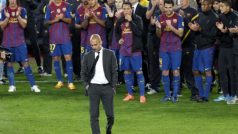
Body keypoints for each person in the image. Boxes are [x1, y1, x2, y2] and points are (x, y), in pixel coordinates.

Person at [0, 0, 40, 92]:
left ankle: (33, 85)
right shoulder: (4, 11)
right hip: (6, 43)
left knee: (25, 63)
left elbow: (24, 25)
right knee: (8, 63)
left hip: (20, 43)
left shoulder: (22, 10)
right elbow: (2, 26)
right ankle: (12, 85)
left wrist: (17, 16)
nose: (13, 1)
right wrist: (7, 18)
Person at [81, 34, 118, 134]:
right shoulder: (87, 56)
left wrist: (113, 86)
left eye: (95, 45)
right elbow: (83, 73)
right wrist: (87, 86)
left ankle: (108, 128)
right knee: (93, 115)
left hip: (107, 88)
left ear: (101, 42)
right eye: (92, 45)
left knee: (110, 115)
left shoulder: (110, 54)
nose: (93, 47)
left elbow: (114, 71)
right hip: (93, 88)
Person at [115, 2, 146, 103]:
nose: (126, 11)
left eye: (128, 9)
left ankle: (142, 95)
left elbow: (140, 33)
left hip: (135, 50)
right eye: (124, 9)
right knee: (127, 71)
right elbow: (116, 33)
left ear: (131, 9)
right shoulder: (120, 21)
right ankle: (130, 94)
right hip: (124, 50)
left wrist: (131, 22)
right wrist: (119, 39)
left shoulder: (137, 19)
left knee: (139, 71)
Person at [189, 0, 218, 102]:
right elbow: (196, 30)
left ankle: (206, 95)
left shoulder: (215, 18)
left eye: (205, 5)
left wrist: (200, 30)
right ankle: (200, 94)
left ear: (210, 5)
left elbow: (214, 36)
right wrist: (193, 28)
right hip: (198, 48)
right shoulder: (199, 15)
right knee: (195, 71)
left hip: (208, 48)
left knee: (207, 71)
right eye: (202, 5)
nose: (203, 7)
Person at [156, 0, 184, 102]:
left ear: (173, 7)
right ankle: (167, 95)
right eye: (166, 7)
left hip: (175, 49)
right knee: (165, 71)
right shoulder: (160, 18)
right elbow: (158, 35)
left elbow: (181, 34)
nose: (167, 9)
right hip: (163, 49)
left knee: (176, 71)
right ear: (163, 7)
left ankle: (175, 95)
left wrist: (171, 26)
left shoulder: (179, 18)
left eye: (169, 7)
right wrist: (158, 28)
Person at [45, 0, 76, 90]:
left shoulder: (66, 5)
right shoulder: (49, 7)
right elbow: (46, 22)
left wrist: (62, 18)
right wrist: (55, 20)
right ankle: (59, 81)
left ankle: (70, 82)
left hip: (65, 37)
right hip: (53, 38)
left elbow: (70, 20)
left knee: (68, 57)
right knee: (55, 58)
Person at [215, 0, 238, 104]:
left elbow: (234, 31)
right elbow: (217, 32)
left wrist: (226, 30)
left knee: (232, 72)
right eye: (220, 7)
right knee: (222, 71)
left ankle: (234, 95)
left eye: (222, 6)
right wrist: (222, 31)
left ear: (228, 7)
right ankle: (226, 94)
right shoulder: (220, 17)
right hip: (222, 47)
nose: (220, 8)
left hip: (232, 48)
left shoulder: (235, 16)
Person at [176, 0, 199, 101]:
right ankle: (177, 91)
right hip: (176, 45)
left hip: (188, 44)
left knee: (188, 70)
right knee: (177, 69)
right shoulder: (175, 11)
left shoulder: (194, 12)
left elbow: (195, 28)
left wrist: (184, 17)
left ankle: (194, 93)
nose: (180, 1)